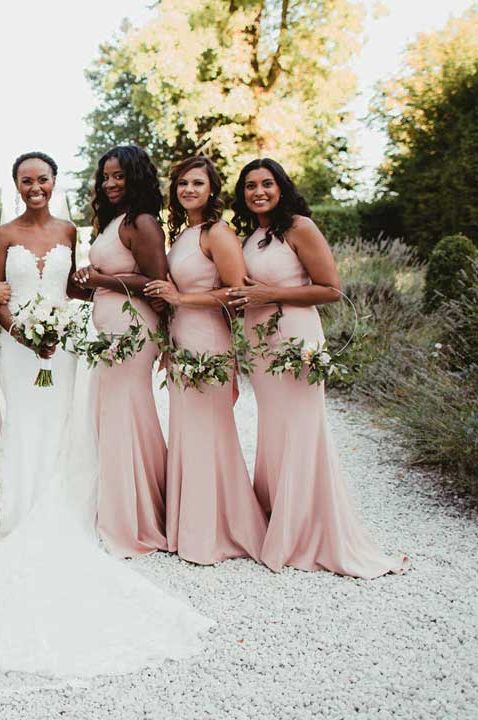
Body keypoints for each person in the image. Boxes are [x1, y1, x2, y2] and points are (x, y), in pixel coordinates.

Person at [0, 151, 211, 677]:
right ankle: (17, 504)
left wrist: (72, 305)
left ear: (54, 182)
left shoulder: (75, 230)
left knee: (71, 420)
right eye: (26, 179)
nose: (35, 186)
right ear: (16, 183)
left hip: (69, 344)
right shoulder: (3, 232)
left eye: (43, 179)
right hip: (16, 346)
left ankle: (80, 502)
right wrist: (15, 320)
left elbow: (81, 284)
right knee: (19, 423)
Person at [229, 158, 409, 578]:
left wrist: (270, 294)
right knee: (273, 427)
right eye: (250, 185)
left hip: (295, 336)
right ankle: (278, 514)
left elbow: (331, 290)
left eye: (267, 184)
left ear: (281, 187)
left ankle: (308, 528)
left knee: (302, 427)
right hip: (260, 341)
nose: (258, 192)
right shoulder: (251, 235)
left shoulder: (299, 227)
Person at [144, 156, 267, 565]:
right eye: (182, 183)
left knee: (209, 429)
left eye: (197, 183)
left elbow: (236, 293)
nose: (189, 190)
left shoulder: (218, 232)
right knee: (187, 430)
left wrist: (181, 298)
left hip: (209, 340)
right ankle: (189, 525)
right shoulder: (181, 235)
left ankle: (219, 529)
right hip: (181, 341)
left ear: (212, 188)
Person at [72, 145, 168, 557]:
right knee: (112, 410)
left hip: (133, 328)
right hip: (111, 326)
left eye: (119, 176)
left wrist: (102, 280)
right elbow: (101, 279)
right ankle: (120, 505)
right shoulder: (113, 222)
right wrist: (84, 280)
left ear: (135, 177)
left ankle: (135, 517)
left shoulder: (142, 222)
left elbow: (156, 282)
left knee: (125, 409)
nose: (110, 183)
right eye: (106, 177)